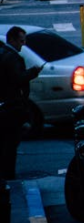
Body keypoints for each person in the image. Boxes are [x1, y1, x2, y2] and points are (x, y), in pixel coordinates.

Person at [1, 26, 43, 179]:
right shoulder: (11, 57)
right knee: (10, 145)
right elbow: (18, 79)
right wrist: (33, 72)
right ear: (11, 40)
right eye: (21, 41)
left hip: (6, 106)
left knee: (7, 144)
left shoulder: (4, 54)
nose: (23, 44)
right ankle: (8, 177)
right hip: (11, 107)